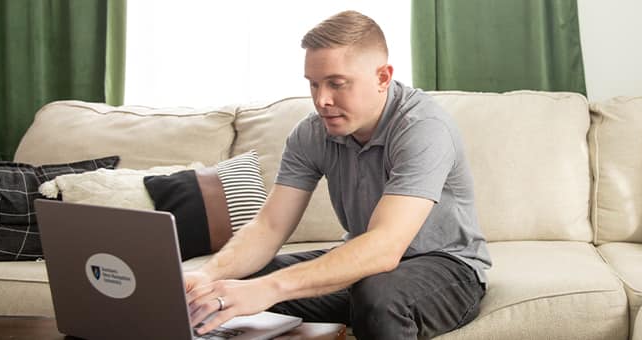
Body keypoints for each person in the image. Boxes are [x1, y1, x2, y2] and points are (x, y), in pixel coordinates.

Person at [184, 10, 491, 340]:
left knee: (378, 295)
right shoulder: (311, 134)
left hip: (447, 268)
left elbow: (385, 245)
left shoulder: (423, 129)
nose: (321, 100)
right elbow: (269, 227)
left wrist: (272, 288)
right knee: (235, 286)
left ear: (383, 77)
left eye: (336, 83)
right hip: (364, 268)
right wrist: (207, 276)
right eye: (314, 84)